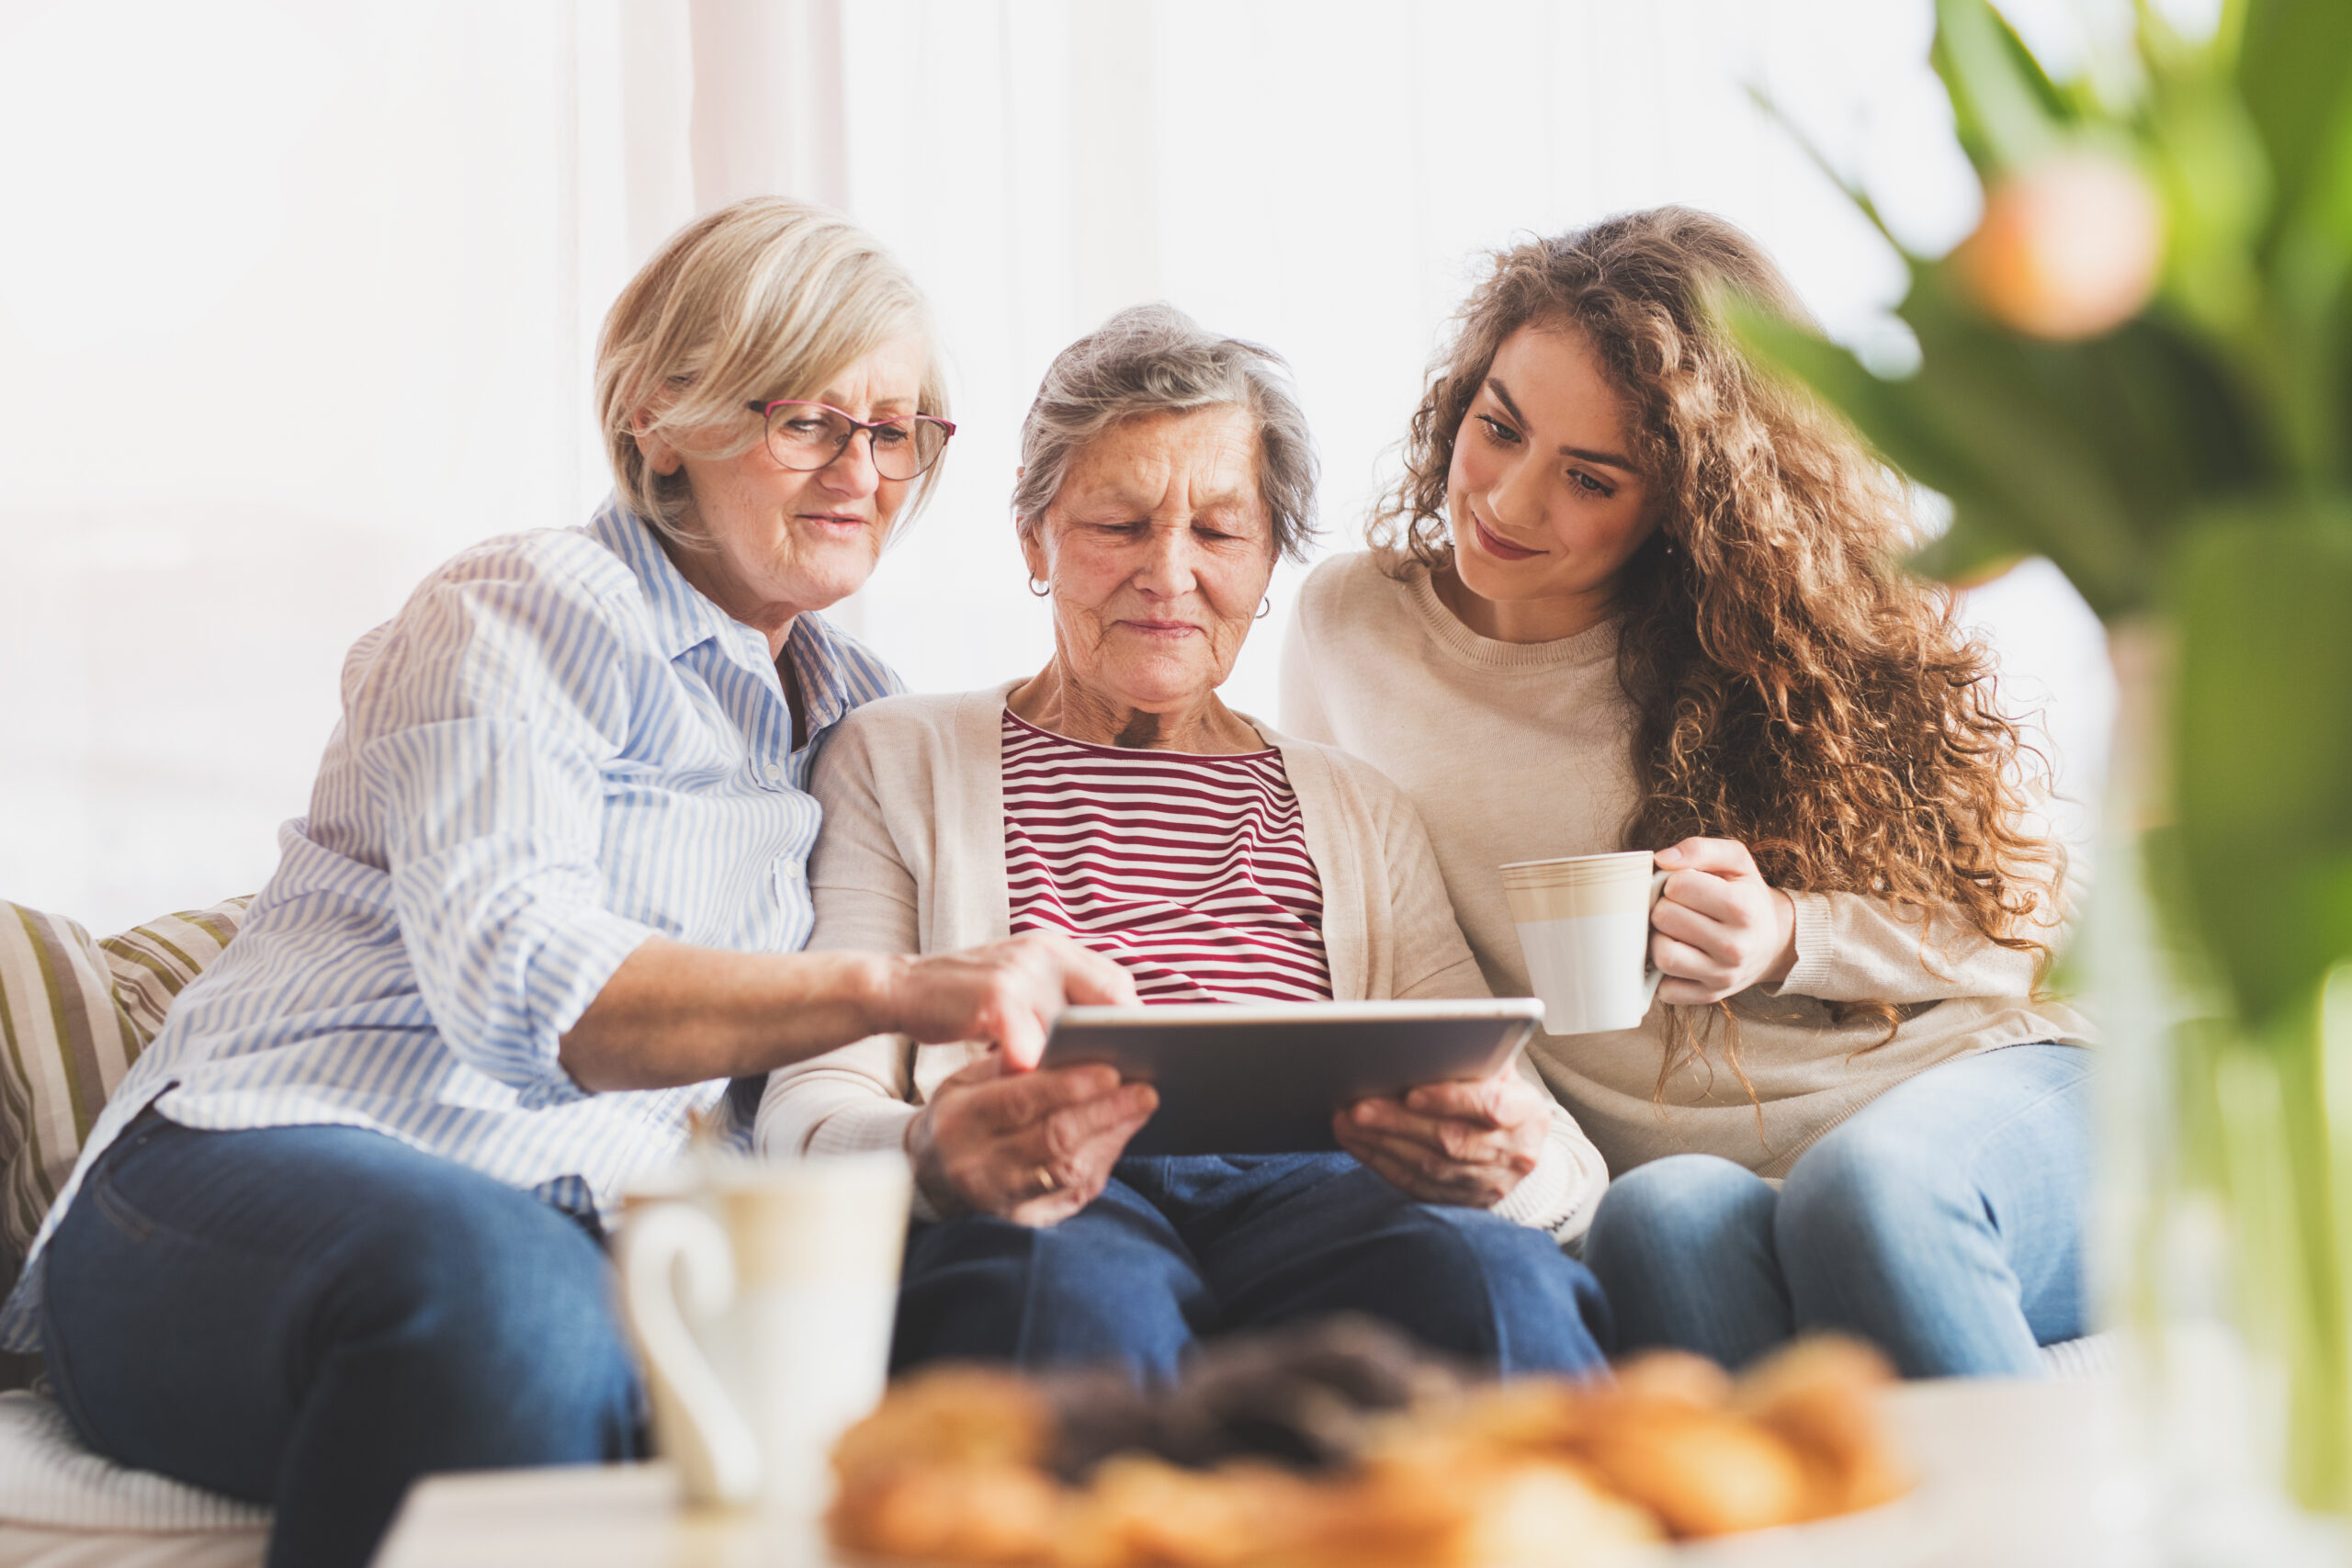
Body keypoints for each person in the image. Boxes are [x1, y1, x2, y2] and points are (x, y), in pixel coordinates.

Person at [2, 198, 1136, 1568]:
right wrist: (898, 987)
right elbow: (527, 984)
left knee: (990, 1318)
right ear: (663, 418)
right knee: (514, 1307)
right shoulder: (526, 602)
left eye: (895, 430)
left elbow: (820, 1098)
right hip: (257, 1170)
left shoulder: (863, 720)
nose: (862, 470)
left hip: (599, 1239)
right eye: (809, 420)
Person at [1279, 208, 2092, 1379]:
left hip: (1981, 1093)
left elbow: (2039, 924)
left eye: (1589, 480)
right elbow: (1347, 928)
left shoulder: (1787, 637)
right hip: (1689, 1165)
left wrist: (1785, 937)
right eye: (1496, 428)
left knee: (1862, 1194)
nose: (1506, 502)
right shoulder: (1349, 629)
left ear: (1684, 500)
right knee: (1651, 1228)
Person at [759, 304, 1611, 1381]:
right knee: (1060, 1304)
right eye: (1119, 526)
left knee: (1496, 1288)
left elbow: (1550, 1147)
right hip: (1055, 1199)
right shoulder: (897, 757)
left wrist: (1505, 1164)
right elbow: (807, 1106)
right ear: (1036, 536)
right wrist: (935, 1154)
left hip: (1325, 1192)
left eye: (1217, 532)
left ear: (1266, 566)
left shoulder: (1356, 805)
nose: (1168, 573)